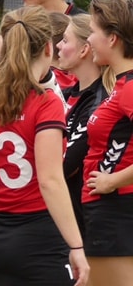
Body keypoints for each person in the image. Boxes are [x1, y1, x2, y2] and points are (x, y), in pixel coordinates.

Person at [0, 5, 89, 286]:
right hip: (41, 240)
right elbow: (50, 180)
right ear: (48, 48)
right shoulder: (46, 102)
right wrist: (76, 246)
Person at [82, 0, 133, 286]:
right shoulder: (121, 84)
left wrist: (113, 181)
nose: (88, 39)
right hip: (106, 211)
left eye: (92, 31)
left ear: (112, 38)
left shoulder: (130, 87)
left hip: (115, 210)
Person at [55, 13, 111, 239]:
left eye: (65, 40)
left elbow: (64, 166)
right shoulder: (67, 95)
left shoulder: (99, 102)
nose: (58, 45)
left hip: (85, 225)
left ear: (84, 49)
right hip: (62, 221)